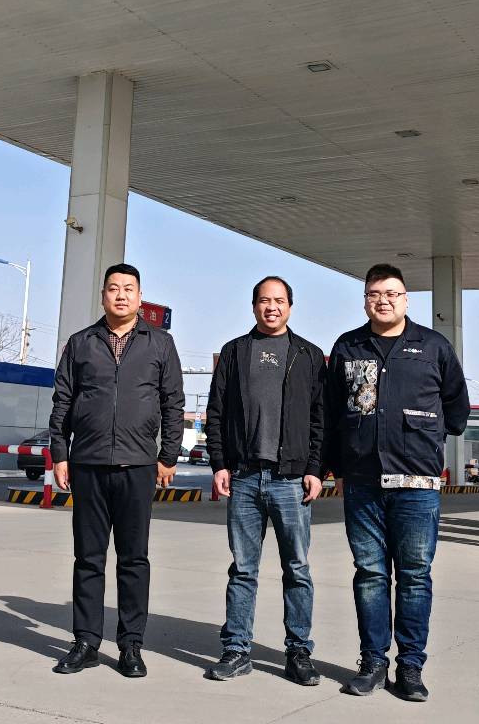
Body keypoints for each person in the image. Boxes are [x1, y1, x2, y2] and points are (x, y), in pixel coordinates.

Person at [322, 263, 470, 703]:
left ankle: (410, 667)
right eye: (374, 294)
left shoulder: (433, 347)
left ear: (405, 299)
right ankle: (372, 662)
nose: (382, 301)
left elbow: (457, 409)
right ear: (365, 300)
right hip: (362, 482)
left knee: (414, 575)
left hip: (416, 483)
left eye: (391, 294)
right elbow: (331, 412)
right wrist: (335, 467)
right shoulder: (348, 347)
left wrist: (425, 439)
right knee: (369, 574)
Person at [48, 264, 185, 679]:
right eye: (113, 288)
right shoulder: (81, 342)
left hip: (138, 465)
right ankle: (86, 642)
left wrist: (168, 456)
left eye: (128, 289)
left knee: (133, 559)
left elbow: (173, 402)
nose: (121, 295)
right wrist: (60, 453)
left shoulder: (160, 343)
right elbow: (63, 400)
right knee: (88, 558)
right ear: (103, 295)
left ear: (140, 297)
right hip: (88, 463)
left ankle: (131, 645)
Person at [204, 276, 326, 686]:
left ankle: (299, 653)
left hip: (290, 480)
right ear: (253, 305)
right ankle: (237, 650)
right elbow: (216, 412)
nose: (271, 307)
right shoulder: (235, 352)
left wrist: (315, 469)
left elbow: (319, 420)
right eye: (264, 300)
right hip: (243, 476)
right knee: (243, 569)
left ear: (290, 305)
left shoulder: (309, 355)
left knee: (297, 568)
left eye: (279, 300)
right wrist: (219, 463)